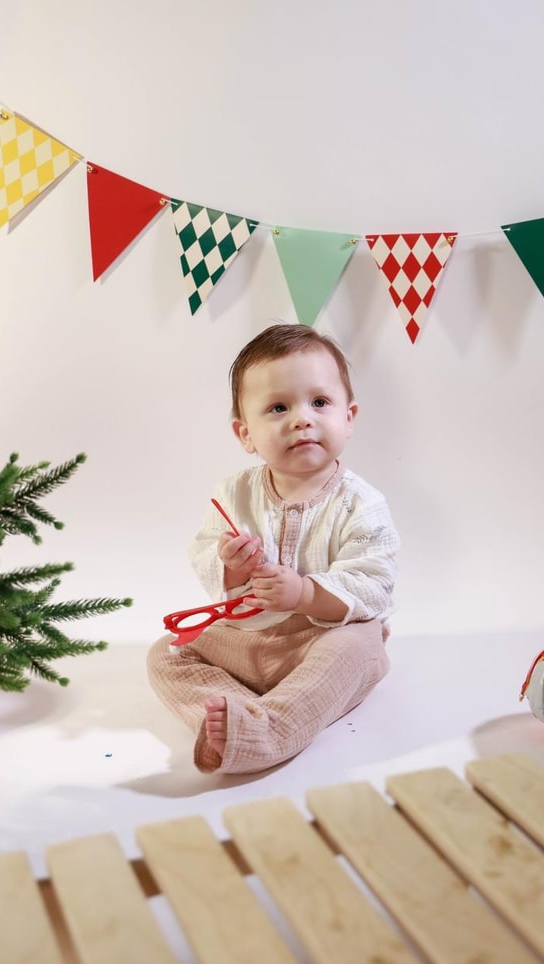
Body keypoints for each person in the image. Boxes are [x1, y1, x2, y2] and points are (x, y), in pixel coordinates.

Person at [147, 323, 399, 773]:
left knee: (360, 644)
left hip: (321, 643)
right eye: (279, 407)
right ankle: (242, 714)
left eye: (319, 402)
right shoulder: (233, 493)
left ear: (349, 417)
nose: (302, 419)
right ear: (245, 434)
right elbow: (203, 550)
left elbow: (372, 584)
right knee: (168, 652)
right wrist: (229, 566)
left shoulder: (362, 503)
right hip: (249, 640)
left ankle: (269, 732)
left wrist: (304, 593)